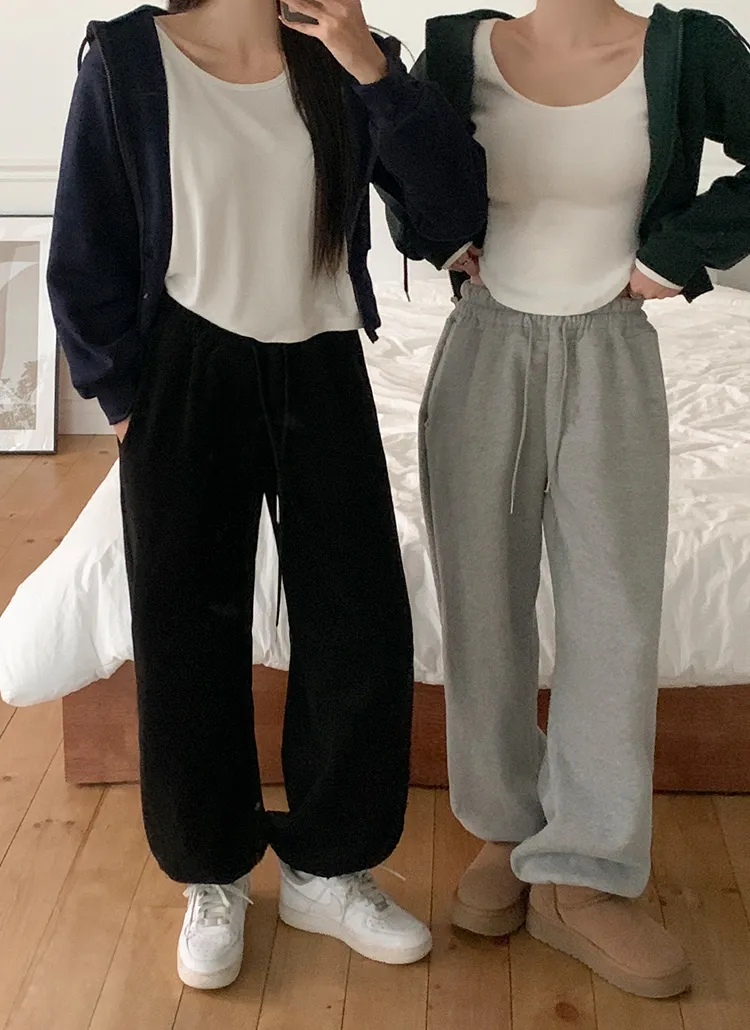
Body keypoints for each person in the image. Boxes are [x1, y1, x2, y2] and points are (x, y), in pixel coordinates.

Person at [48, 0, 487, 990]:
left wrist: (371, 67)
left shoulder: (342, 57)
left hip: (320, 361)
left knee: (360, 623)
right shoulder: (128, 59)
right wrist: (123, 400)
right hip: (184, 370)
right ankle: (212, 873)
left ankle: (328, 867)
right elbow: (86, 247)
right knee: (186, 631)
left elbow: (454, 215)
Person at [386, 0, 750, 999]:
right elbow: (409, 172)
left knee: (614, 615)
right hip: (484, 346)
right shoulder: (457, 48)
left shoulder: (688, 48)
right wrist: (438, 240)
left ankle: (582, 872)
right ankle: (508, 828)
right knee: (482, 605)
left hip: (611, 350)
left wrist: (679, 256)